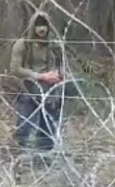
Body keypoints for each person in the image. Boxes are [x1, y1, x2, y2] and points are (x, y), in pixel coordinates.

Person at [9, 10, 77, 153]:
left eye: (44, 25)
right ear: (32, 26)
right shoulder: (23, 44)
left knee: (47, 133)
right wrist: (40, 76)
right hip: (29, 91)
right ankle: (17, 159)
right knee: (23, 129)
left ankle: (42, 160)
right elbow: (15, 69)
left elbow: (63, 65)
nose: (41, 29)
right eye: (38, 25)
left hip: (51, 93)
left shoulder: (55, 45)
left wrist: (61, 75)